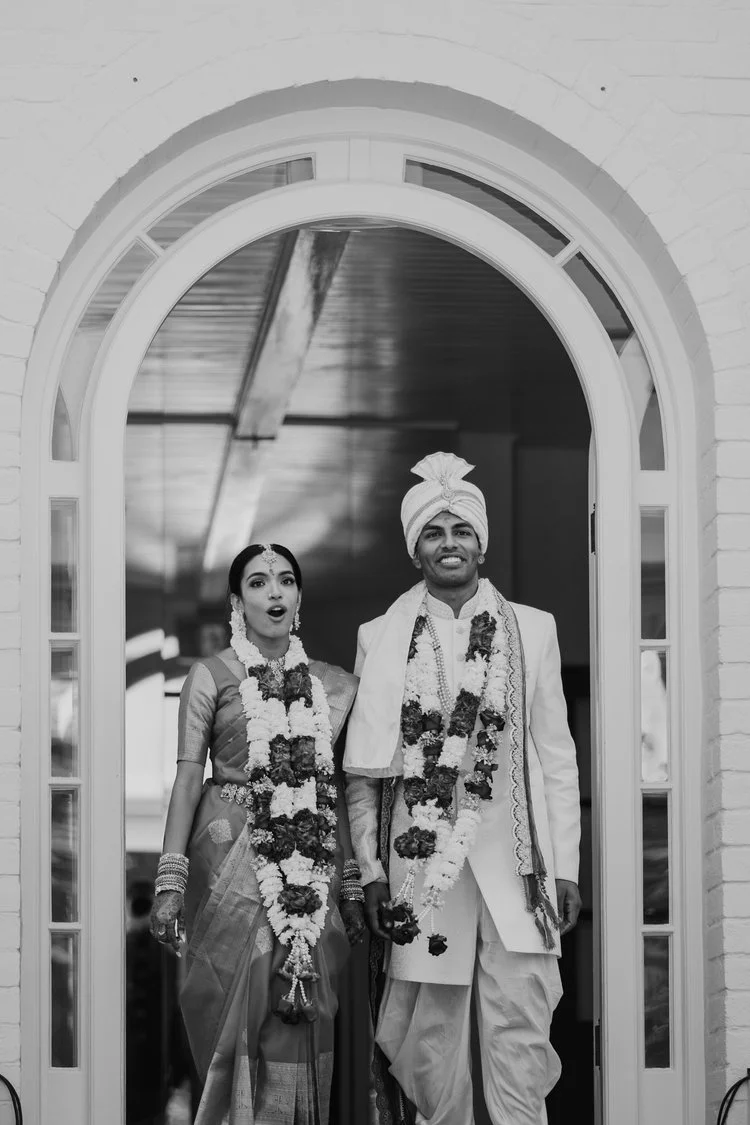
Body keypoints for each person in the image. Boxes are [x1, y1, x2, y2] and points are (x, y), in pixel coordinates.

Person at [344, 453, 582, 1125]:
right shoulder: (380, 637)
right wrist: (369, 872)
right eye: (433, 531)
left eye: (460, 530)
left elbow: (555, 755)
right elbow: (364, 773)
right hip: (423, 871)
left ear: (481, 541)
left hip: (517, 866)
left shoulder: (532, 629)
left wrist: (564, 865)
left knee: (522, 1034)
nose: (449, 542)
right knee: (429, 1049)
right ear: (415, 549)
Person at [150, 543, 365, 1125]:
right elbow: (189, 779)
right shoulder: (210, 676)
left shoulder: (332, 687)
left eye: (286, 581)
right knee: (236, 999)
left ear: (299, 597)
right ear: (236, 601)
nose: (275, 592)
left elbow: (335, 788)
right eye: (259, 582)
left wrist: (349, 882)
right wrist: (171, 877)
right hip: (228, 860)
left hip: (311, 855)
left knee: (303, 994)